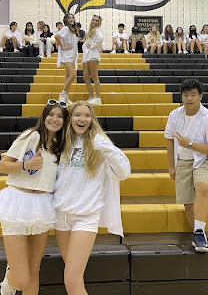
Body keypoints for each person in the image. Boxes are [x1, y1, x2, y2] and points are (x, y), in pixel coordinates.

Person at [0, 99, 68, 295]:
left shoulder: (59, 145)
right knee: (21, 279)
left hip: (42, 204)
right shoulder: (31, 136)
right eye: (51, 114)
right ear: (44, 116)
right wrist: (25, 165)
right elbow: (2, 166)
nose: (54, 119)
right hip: (18, 201)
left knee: (34, 269)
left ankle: (14, 272)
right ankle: (9, 279)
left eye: (60, 116)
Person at [54, 101, 130, 295]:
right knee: (75, 280)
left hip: (85, 217)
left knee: (70, 280)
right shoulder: (61, 142)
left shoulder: (99, 142)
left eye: (87, 115)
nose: (82, 119)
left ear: (92, 119)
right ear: (70, 119)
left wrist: (104, 146)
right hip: (60, 216)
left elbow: (123, 172)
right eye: (77, 115)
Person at [164, 79, 208, 253]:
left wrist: (190, 144)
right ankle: (200, 235)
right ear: (181, 97)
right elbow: (169, 140)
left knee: (203, 188)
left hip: (205, 158)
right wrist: (171, 166)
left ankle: (198, 232)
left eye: (193, 95)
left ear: (200, 96)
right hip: (182, 160)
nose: (189, 98)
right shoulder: (174, 115)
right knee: (188, 203)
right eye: (185, 95)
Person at [55, 13, 79, 104]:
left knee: (68, 76)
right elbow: (56, 36)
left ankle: (66, 97)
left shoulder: (74, 30)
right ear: (66, 20)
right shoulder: (65, 29)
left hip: (72, 55)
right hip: (66, 55)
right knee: (73, 74)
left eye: (72, 18)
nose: (71, 19)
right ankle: (62, 94)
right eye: (69, 18)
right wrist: (62, 47)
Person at [82, 15, 103, 105]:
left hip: (93, 56)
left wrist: (93, 47)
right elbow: (85, 44)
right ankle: (91, 97)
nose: (94, 22)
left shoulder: (97, 30)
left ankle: (97, 98)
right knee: (85, 77)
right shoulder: (90, 32)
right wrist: (86, 49)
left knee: (94, 77)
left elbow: (100, 39)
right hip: (87, 56)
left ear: (99, 23)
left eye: (96, 21)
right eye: (93, 20)